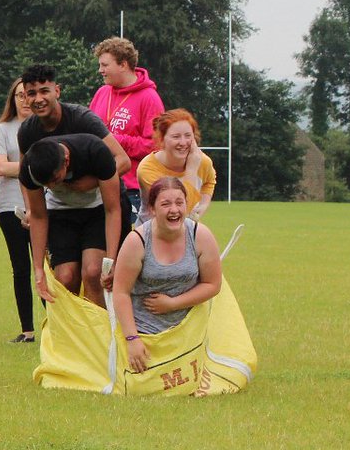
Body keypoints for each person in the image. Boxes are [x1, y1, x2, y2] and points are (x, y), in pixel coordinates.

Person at [18, 64, 131, 309]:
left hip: (100, 204)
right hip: (62, 209)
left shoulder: (84, 121)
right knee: (65, 277)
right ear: (24, 97)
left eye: (44, 91)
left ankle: (104, 334)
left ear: (57, 91)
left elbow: (122, 160)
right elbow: (27, 177)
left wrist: (91, 182)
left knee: (93, 272)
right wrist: (31, 209)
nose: (38, 99)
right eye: (31, 93)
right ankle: (70, 338)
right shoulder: (27, 132)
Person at [111, 177, 224, 374]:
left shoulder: (200, 235)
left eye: (180, 203)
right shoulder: (136, 241)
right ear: (153, 209)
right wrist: (132, 339)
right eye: (166, 204)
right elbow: (120, 292)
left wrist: (173, 303)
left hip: (189, 332)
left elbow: (213, 284)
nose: (174, 210)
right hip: (144, 333)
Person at [19, 133, 125, 308]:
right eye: (46, 184)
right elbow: (38, 216)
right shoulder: (30, 168)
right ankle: (70, 332)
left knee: (93, 272)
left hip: (97, 211)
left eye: (55, 180)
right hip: (61, 214)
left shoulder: (95, 150)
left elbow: (112, 210)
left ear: (66, 161)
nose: (52, 187)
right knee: (65, 278)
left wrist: (110, 262)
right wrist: (38, 269)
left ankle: (98, 330)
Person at [88, 37, 164, 217]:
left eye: (105, 65)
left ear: (123, 65)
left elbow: (156, 146)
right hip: (99, 186)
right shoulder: (102, 92)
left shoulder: (149, 98)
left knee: (129, 244)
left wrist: (113, 140)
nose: (100, 70)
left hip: (133, 190)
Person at [0, 78, 35, 343]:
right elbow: (1, 168)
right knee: (20, 268)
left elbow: (11, 167)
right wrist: (37, 167)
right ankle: (27, 330)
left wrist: (17, 166)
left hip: (45, 207)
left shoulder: (45, 128)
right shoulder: (3, 129)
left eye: (28, 95)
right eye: (19, 95)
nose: (25, 100)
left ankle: (56, 327)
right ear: (13, 99)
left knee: (47, 268)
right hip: (10, 207)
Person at [136, 109, 216, 223]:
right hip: (152, 233)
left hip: (185, 231)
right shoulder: (148, 169)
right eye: (176, 136)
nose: (183, 142)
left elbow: (209, 181)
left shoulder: (202, 161)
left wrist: (203, 204)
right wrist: (191, 170)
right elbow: (177, 208)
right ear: (162, 139)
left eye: (188, 136)